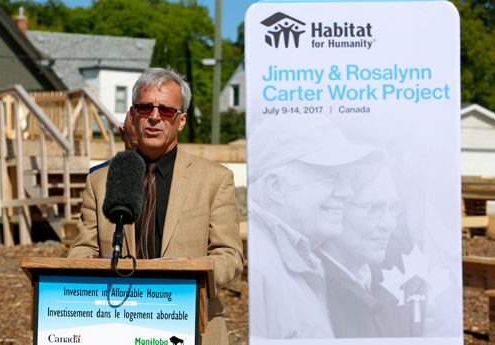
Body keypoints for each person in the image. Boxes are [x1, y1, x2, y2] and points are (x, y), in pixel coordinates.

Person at [68, 67, 244, 345]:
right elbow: (81, 249)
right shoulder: (99, 181)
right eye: (145, 107)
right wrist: (91, 267)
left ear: (181, 120)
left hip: (191, 326)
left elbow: (230, 257)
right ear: (133, 115)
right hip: (115, 325)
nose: (153, 117)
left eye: (165, 111)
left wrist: (197, 270)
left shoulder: (215, 179)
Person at [247, 118, 379, 339]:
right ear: (275, 186)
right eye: (331, 177)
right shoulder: (262, 268)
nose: (347, 192)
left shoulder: (290, 257)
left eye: (347, 178)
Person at [318, 162, 425, 337]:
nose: (390, 224)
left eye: (393, 208)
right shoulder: (312, 290)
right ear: (335, 207)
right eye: (374, 209)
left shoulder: (397, 283)